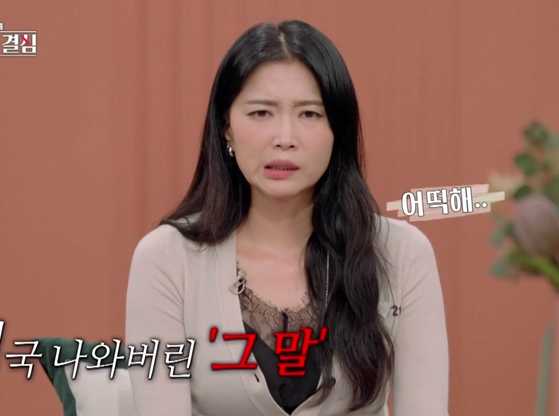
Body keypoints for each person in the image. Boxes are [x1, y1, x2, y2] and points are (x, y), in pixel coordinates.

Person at [125, 19, 449, 416]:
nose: (285, 138)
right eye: (261, 113)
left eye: (309, 114)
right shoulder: (166, 259)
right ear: (227, 128)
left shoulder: (402, 254)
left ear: (338, 131)